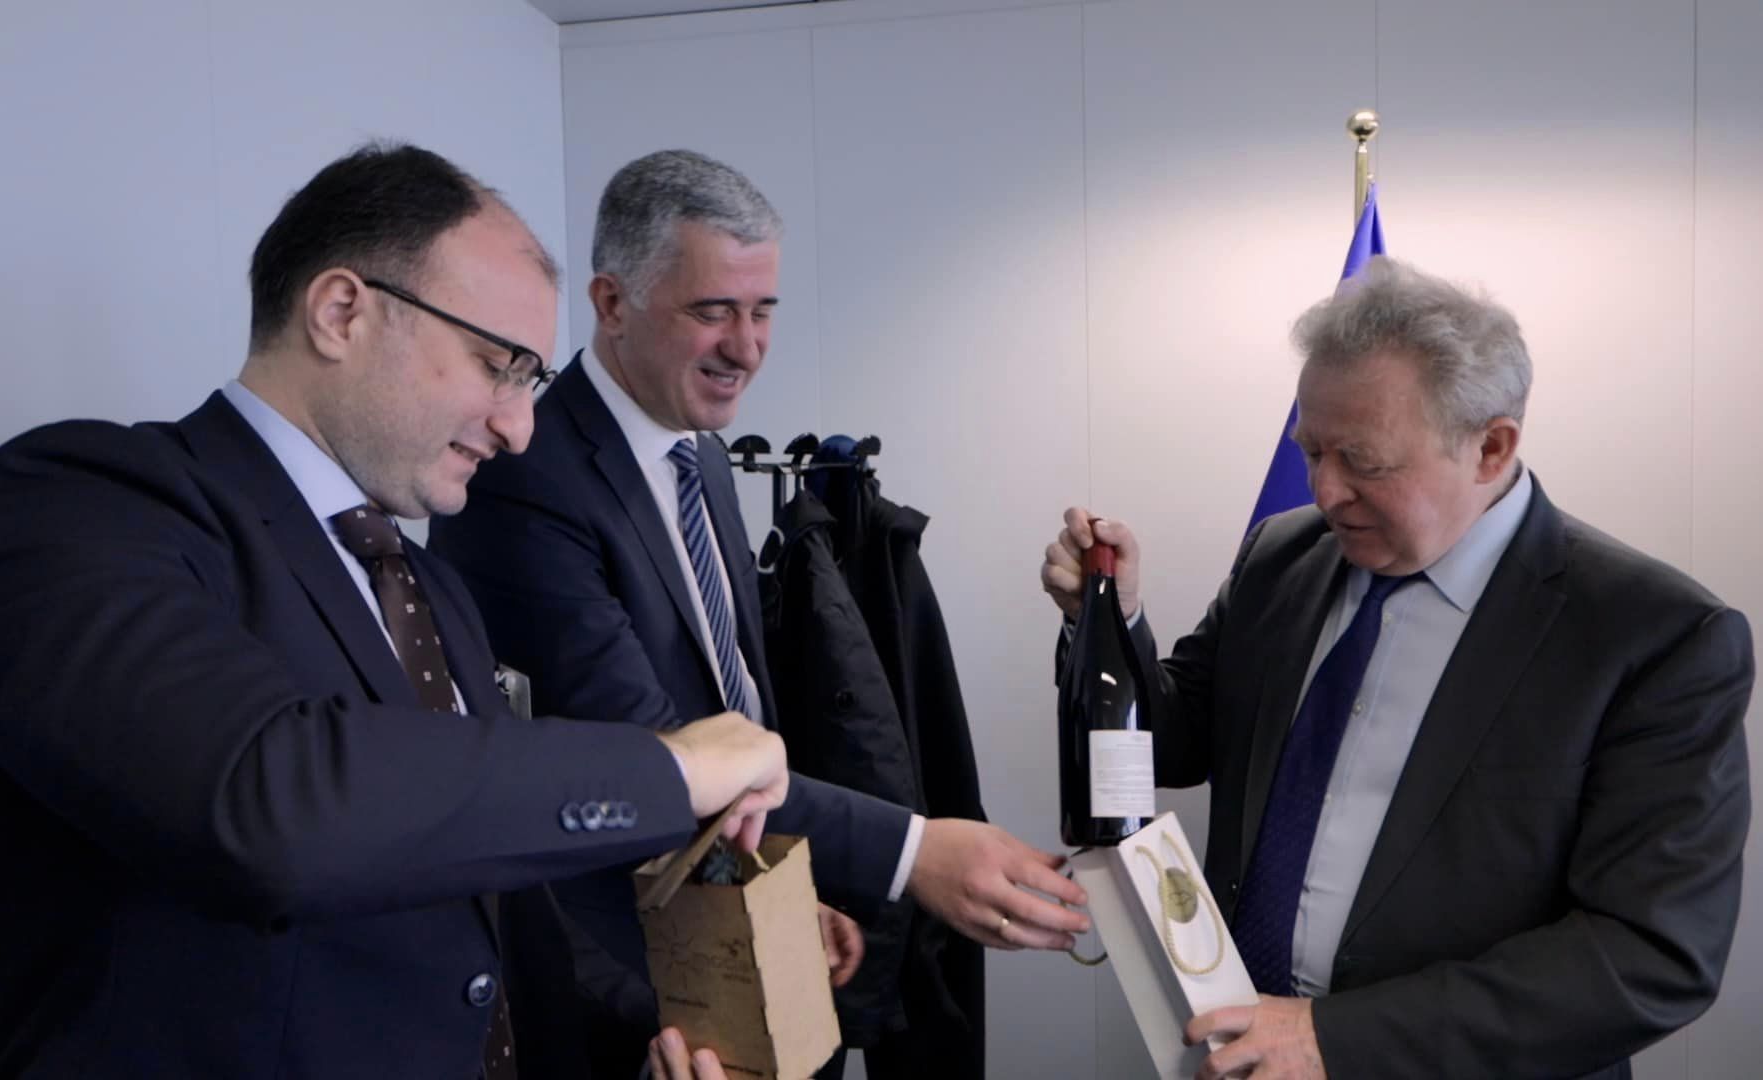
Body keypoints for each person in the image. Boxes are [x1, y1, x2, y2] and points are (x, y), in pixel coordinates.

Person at [0, 142, 795, 1079]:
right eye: (496, 363)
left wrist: (658, 1041)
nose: (519, 428)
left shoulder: (429, 588)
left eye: (530, 382)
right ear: (341, 312)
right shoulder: (72, 504)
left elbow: (492, 919)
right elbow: (268, 800)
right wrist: (668, 767)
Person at [429, 149, 1091, 1073]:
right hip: (615, 993)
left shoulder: (700, 452)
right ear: (612, 303)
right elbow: (652, 749)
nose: (746, 348)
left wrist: (766, 881)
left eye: (763, 310)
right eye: (712, 312)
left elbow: (736, 709)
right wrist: (915, 852)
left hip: (723, 930)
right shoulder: (526, 477)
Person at [1041, 255, 1753, 1080]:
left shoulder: (1655, 637)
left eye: (1363, 461)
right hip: (1236, 1052)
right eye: (1311, 450)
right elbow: (1174, 741)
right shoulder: (1282, 556)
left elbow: (1651, 954)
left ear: (1491, 448)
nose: (1325, 491)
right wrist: (1107, 622)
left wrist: (1335, 1040)